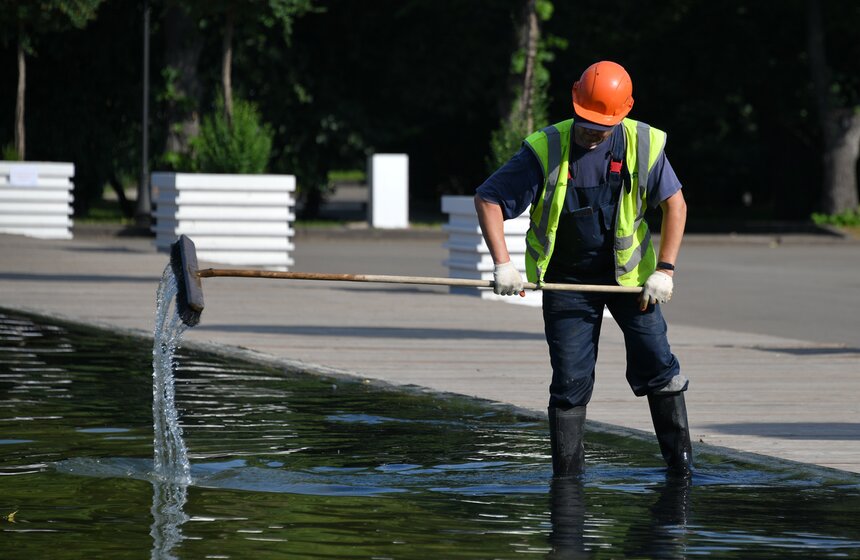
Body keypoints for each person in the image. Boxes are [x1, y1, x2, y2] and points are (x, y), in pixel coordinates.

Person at [474, 60, 692, 477]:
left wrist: (665, 269)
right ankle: (567, 482)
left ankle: (681, 471)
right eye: (586, 122)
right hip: (567, 282)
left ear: (623, 114)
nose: (592, 132)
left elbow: (675, 205)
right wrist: (503, 264)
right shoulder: (545, 148)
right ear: (574, 102)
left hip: (632, 282)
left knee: (658, 364)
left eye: (602, 127)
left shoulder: (643, 143)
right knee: (570, 381)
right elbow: (488, 199)